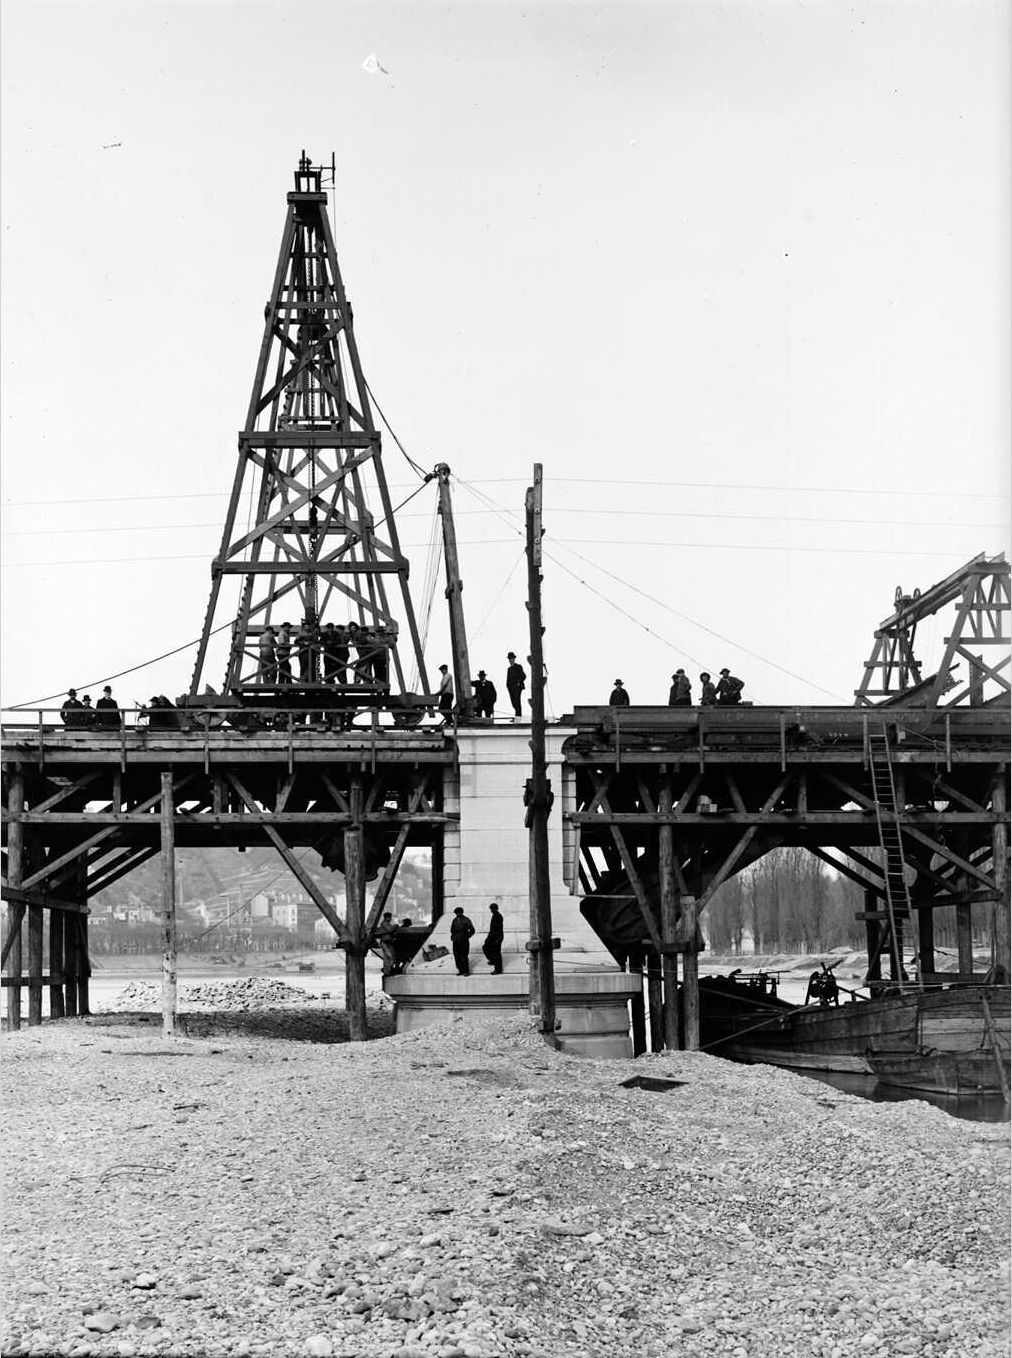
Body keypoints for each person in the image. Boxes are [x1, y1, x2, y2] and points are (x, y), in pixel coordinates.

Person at [449, 906, 475, 976]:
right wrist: (453, 936)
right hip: (456, 941)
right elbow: (452, 929)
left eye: (458, 913)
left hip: (464, 941)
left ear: (461, 913)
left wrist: (467, 936)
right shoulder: (454, 920)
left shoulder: (466, 920)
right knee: (457, 956)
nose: (457, 914)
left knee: (464, 956)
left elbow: (472, 930)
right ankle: (460, 970)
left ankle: (466, 971)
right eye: (456, 913)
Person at [482, 903, 504, 974]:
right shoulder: (494, 915)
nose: (491, 910)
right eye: (491, 909)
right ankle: (492, 960)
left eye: (493, 908)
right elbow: (492, 929)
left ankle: (498, 969)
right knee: (485, 947)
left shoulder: (498, 916)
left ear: (496, 909)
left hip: (497, 937)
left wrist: (497, 939)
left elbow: (498, 929)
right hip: (492, 936)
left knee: (497, 953)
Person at [506, 652, 526, 719]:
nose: (510, 660)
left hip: (517, 688)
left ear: (514, 659)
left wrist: (518, 682)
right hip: (511, 688)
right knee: (513, 703)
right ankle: (517, 716)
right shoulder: (509, 669)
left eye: (511, 658)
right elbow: (508, 679)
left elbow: (523, 676)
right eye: (509, 659)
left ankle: (518, 718)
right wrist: (508, 686)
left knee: (517, 702)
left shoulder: (518, 667)